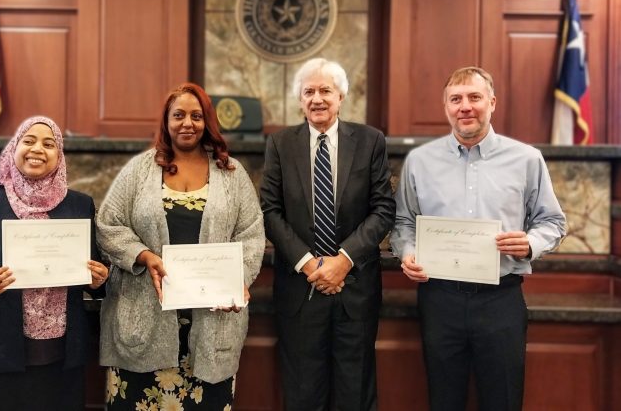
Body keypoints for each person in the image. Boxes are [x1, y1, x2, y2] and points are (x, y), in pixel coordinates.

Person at [391, 66, 567, 410]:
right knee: (444, 399)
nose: (465, 106)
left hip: (500, 300)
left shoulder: (527, 159)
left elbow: (553, 222)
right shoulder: (420, 161)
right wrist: (407, 253)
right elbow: (403, 222)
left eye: (474, 97)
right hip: (439, 299)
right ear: (445, 107)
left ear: (492, 103)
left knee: (502, 399)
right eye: (456, 99)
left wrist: (531, 243)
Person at [96, 82, 265, 411]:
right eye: (178, 115)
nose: (187, 123)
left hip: (210, 323)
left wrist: (236, 283)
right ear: (166, 121)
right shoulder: (139, 170)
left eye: (196, 116)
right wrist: (143, 256)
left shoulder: (231, 173)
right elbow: (107, 224)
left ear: (207, 122)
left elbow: (252, 235)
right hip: (144, 318)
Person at [0, 116, 109, 411]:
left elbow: (95, 269)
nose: (38, 149)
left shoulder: (79, 205)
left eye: (49, 144)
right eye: (29, 140)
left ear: (59, 156)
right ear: (13, 148)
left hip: (62, 357)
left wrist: (99, 280)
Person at [260, 58, 396, 410]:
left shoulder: (370, 141)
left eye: (325, 91)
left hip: (355, 290)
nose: (317, 99)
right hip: (299, 291)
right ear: (299, 99)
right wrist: (309, 264)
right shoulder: (280, 144)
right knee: (304, 394)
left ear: (341, 96)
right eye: (309, 92)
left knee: (355, 393)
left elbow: (383, 209)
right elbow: (270, 212)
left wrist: (343, 260)